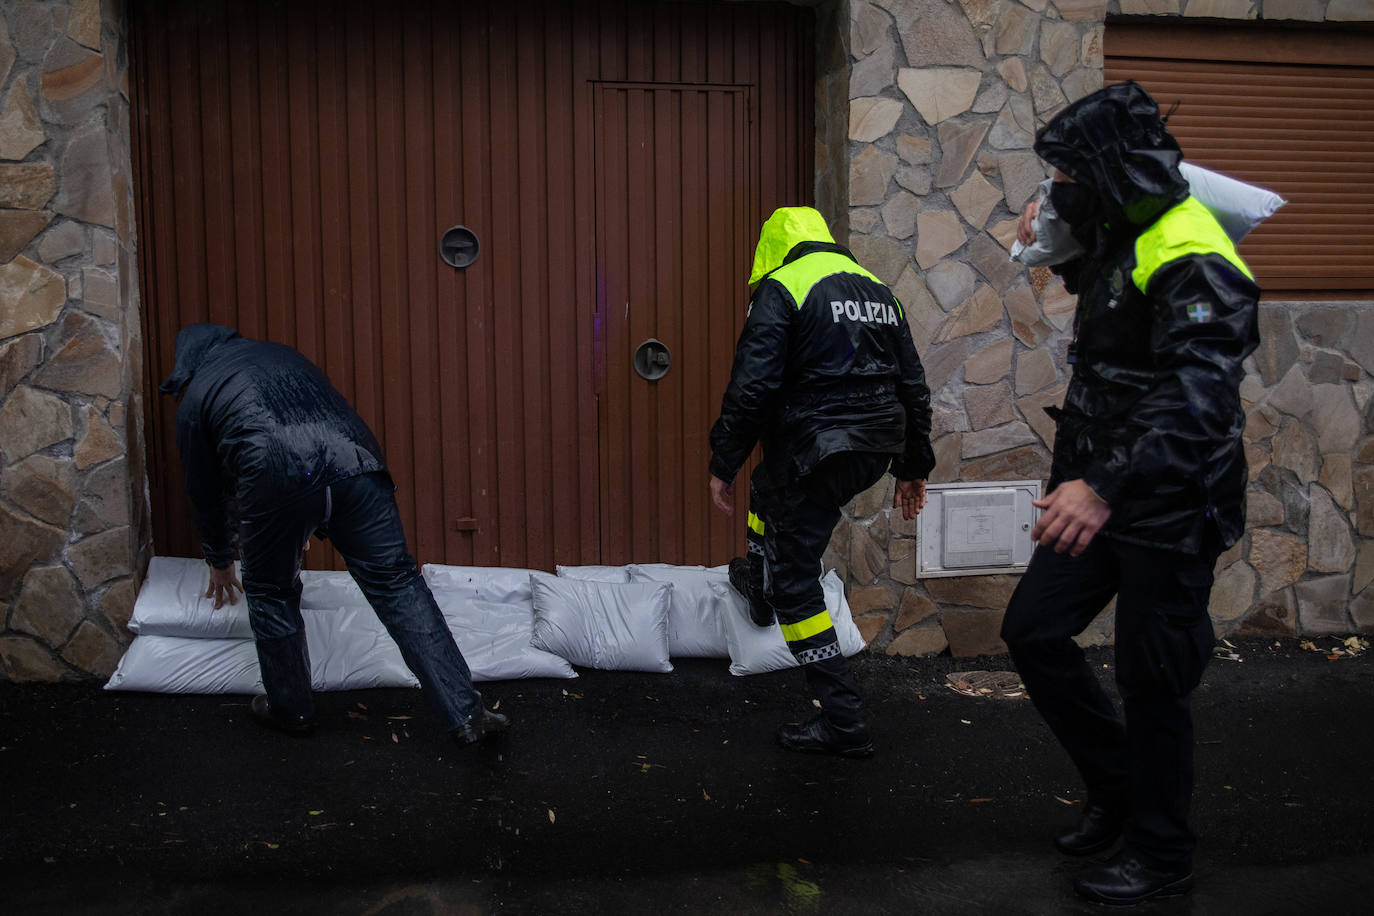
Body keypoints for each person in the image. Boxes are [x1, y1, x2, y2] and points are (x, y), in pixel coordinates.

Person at [999, 82, 1260, 906]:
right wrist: (1047, 235)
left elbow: (1199, 401)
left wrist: (1101, 487)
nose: (1058, 185)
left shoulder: (1195, 252)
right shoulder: (1124, 230)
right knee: (1035, 632)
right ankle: (1119, 788)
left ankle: (1160, 850)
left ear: (1110, 168)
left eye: (1068, 172)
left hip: (1170, 502)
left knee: (1153, 679)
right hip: (1099, 486)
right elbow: (1106, 304)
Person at [158, 323, 507, 747]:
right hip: (355, 462)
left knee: (270, 589)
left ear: (187, 362)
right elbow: (314, 427)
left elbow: (204, 491)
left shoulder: (197, 395)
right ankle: (467, 713)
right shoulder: (283, 356)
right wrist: (305, 512)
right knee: (397, 584)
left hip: (277, 474)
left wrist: (219, 558)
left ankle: (292, 709)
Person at [708, 206, 935, 759]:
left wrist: (722, 461)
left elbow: (752, 387)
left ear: (773, 248)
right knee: (769, 489)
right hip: (871, 449)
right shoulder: (879, 290)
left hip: (816, 451)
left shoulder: (783, 288)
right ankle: (761, 585)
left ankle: (843, 720)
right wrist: (913, 466)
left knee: (797, 582)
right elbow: (914, 384)